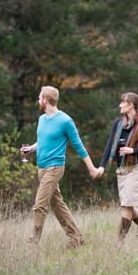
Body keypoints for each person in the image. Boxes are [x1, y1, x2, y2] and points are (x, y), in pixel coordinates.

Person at [21, 85, 99, 248]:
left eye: (39, 97)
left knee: (40, 204)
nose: (38, 100)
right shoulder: (42, 119)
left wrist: (92, 168)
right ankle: (77, 238)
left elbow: (79, 146)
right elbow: (42, 140)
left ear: (45, 100)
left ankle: (32, 243)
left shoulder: (65, 121)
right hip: (41, 168)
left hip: (55, 167)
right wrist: (31, 148)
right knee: (57, 205)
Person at [96, 92, 138, 241]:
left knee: (126, 207)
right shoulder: (118, 124)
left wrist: (133, 150)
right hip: (121, 170)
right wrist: (102, 166)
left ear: (130, 106)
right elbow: (109, 145)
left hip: (135, 170)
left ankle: (119, 242)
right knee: (128, 205)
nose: (120, 105)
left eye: (122, 103)